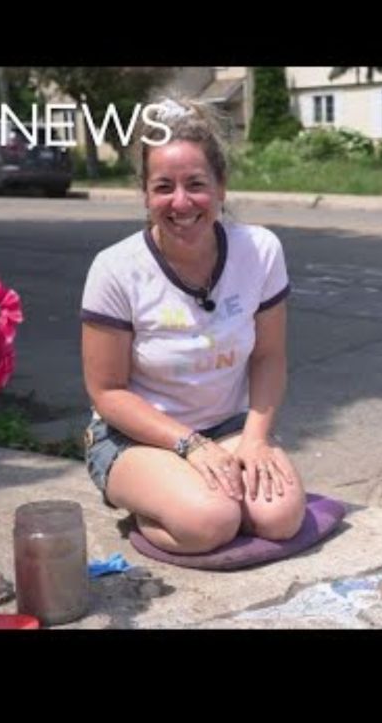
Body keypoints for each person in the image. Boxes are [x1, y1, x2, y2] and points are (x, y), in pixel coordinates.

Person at [81, 97, 306, 555]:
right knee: (211, 522)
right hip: (135, 439)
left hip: (228, 426)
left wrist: (256, 440)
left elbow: (269, 356)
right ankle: (152, 506)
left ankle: (192, 495)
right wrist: (190, 445)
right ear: (145, 193)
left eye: (196, 184)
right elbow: (107, 392)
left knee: (280, 518)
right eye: (164, 187)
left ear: (221, 187)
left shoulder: (260, 250)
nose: (181, 202)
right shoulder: (115, 268)